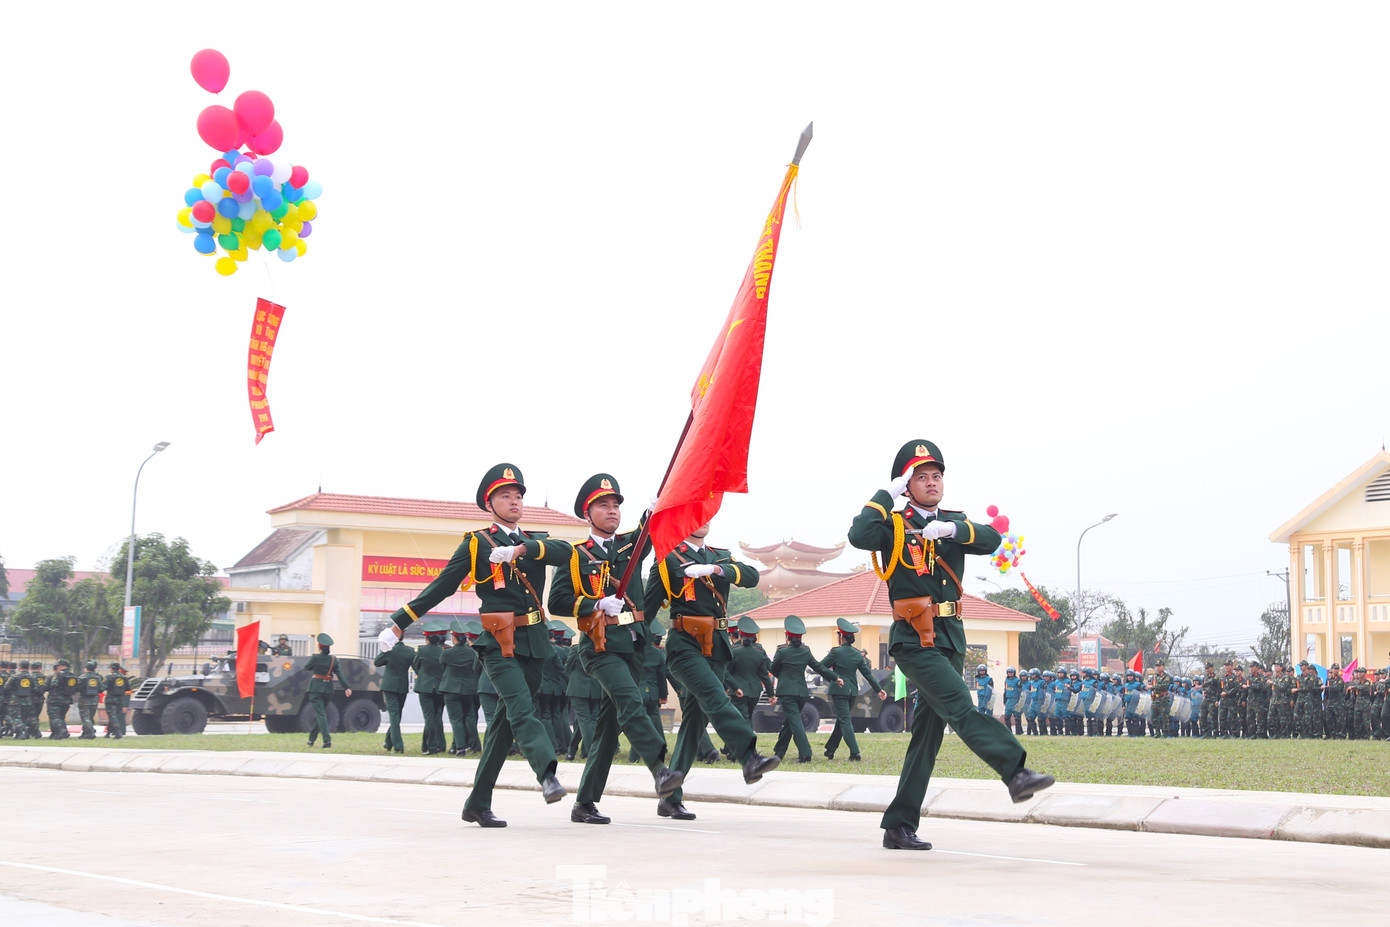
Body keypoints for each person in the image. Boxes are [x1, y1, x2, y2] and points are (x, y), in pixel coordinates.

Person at [848, 439, 1052, 851]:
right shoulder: (893, 523)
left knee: (927, 734)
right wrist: (887, 493)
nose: (931, 482)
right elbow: (858, 534)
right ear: (907, 485)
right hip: (913, 639)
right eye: (920, 477)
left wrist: (951, 529)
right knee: (960, 703)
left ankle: (898, 825)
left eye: (936, 476)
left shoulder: (953, 522)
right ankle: (1015, 770)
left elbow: (993, 539)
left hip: (950, 638)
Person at [378, 462, 574, 828]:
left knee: (504, 725)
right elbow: (443, 585)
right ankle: (547, 773)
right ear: (489, 503)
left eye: (518, 495)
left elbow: (566, 553)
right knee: (520, 706)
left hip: (534, 642)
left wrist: (521, 551)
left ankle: (477, 803)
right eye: (505, 495)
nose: (514, 501)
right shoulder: (476, 542)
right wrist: (400, 621)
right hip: (498, 643)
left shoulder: (534, 542)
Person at [547, 473, 684, 824]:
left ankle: (584, 803)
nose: (612, 511)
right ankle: (659, 768)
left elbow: (648, 533)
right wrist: (594, 602)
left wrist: (656, 509)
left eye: (615, 505)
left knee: (608, 731)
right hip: (600, 646)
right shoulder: (576, 556)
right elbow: (558, 600)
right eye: (603, 506)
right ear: (587, 513)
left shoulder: (629, 547)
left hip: (633, 645)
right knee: (630, 701)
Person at [646, 520, 780, 821]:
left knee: (694, 722)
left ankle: (670, 797)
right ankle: (749, 757)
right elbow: (647, 608)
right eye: (697, 514)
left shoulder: (720, 556)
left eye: (707, 515)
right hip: (684, 646)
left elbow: (752, 576)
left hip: (716, 646)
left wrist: (717, 571)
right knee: (715, 696)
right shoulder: (668, 558)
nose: (703, 521)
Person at [770, 615, 842, 763]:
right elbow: (819, 667)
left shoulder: (782, 651)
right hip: (802, 693)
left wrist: (782, 677)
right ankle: (778, 753)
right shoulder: (806, 651)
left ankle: (805, 753)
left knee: (795, 723)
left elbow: (773, 669)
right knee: (790, 722)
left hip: (787, 692)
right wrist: (835, 677)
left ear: (786, 636)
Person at [822, 618, 886, 760]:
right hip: (852, 691)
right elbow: (868, 675)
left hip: (839, 690)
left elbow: (821, 667)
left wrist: (834, 677)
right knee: (842, 719)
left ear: (841, 637)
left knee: (844, 720)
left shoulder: (835, 652)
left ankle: (855, 752)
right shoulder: (857, 654)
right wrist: (879, 689)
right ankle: (831, 749)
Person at [441, 620, 483, 755]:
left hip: (450, 689)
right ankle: (474, 744)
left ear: (454, 638)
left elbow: (443, 666)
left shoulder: (447, 653)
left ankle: (459, 747)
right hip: (468, 689)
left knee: (456, 719)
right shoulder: (473, 653)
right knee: (470, 716)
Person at [726, 616, 775, 730]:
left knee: (743, 719)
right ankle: (730, 748)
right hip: (754, 691)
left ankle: (750, 747)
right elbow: (764, 675)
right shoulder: (760, 652)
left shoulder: (734, 651)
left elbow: (726, 672)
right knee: (747, 717)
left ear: (740, 635)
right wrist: (771, 694)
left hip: (738, 691)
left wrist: (730, 687)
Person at [304, 633, 352, 748]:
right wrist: (347, 687)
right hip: (328, 689)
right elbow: (340, 674)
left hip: (315, 688)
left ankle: (327, 740)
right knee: (320, 714)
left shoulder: (315, 658)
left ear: (320, 647)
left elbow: (307, 667)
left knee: (320, 714)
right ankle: (311, 739)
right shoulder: (333, 660)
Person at [374, 630, 415, 754]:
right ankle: (388, 741)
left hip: (389, 686)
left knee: (394, 716)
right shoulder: (410, 651)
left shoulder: (389, 650)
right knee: (397, 715)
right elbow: (416, 665)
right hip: (402, 686)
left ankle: (398, 746)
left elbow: (377, 662)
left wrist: (385, 648)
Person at [413, 619, 449, 755]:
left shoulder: (422, 651)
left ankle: (431, 746)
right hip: (441, 687)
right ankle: (439, 744)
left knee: (429, 717)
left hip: (425, 688)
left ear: (427, 638)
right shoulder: (444, 651)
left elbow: (415, 666)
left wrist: (422, 676)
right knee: (437, 716)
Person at [47, 658, 78, 739]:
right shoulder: (73, 675)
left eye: (58, 665)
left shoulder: (58, 674)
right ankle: (62, 733)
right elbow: (76, 687)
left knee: (55, 717)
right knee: (61, 717)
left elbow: (53, 684)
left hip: (55, 699)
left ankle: (61, 730)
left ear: (62, 666)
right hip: (67, 699)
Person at [76, 660, 103, 739]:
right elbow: (101, 689)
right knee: (90, 717)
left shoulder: (82, 678)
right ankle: (85, 734)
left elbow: (77, 688)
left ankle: (91, 731)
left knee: (85, 718)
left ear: (86, 668)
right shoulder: (98, 678)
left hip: (84, 700)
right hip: (94, 700)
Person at [103, 663, 130, 739]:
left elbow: (103, 687)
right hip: (120, 700)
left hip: (110, 699)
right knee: (114, 716)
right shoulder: (124, 677)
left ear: (112, 668)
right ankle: (108, 733)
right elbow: (128, 688)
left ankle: (118, 732)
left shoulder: (109, 676)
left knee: (112, 716)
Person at [1150, 661, 1173, 738]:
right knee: (1154, 716)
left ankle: (1165, 733)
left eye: (1159, 666)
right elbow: (1153, 686)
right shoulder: (1155, 676)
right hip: (1156, 698)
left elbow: (1164, 686)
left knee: (1164, 717)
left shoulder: (1167, 676)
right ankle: (1157, 732)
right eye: (1157, 666)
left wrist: (1153, 687)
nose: (1158, 667)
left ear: (1163, 667)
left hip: (1163, 699)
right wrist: (1152, 692)